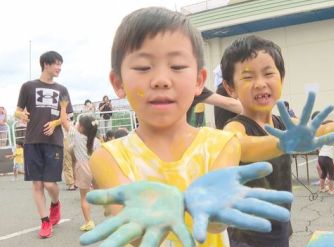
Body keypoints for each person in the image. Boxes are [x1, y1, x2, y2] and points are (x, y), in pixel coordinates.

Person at [83, 7, 292, 247]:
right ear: (118, 83)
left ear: (199, 81)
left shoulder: (222, 144)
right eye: (143, 67)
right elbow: (138, 235)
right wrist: (155, 219)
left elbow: (214, 225)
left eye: (177, 66)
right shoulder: (107, 157)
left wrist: (211, 209)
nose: (161, 80)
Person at [219, 35, 294, 247]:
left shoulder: (283, 122)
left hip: (280, 227)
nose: (260, 84)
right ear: (230, 87)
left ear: (281, 78)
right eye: (248, 77)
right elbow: (238, 144)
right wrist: (284, 143)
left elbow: (316, 130)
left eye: (269, 73)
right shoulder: (236, 127)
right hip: (247, 237)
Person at [15, 51, 73, 238]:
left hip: (54, 141)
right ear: (45, 64)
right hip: (32, 141)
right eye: (56, 64)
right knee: (37, 184)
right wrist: (20, 115)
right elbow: (17, 111)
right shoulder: (28, 87)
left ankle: (55, 204)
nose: (59, 67)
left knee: (50, 184)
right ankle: (45, 221)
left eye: (60, 64)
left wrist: (55, 123)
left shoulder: (62, 90)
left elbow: (66, 117)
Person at [60, 101, 99, 232]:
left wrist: (63, 107)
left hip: (82, 169)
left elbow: (64, 121)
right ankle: (116, 216)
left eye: (77, 123)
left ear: (81, 128)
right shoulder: (96, 140)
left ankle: (89, 222)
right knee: (104, 194)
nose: (75, 124)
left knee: (84, 197)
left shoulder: (77, 136)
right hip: (95, 168)